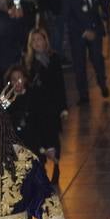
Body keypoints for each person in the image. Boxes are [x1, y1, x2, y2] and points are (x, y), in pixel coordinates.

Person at [22, 28, 67, 184]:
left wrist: (63, 108)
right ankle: (42, 168)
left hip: (52, 106)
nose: (37, 43)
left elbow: (60, 84)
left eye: (39, 39)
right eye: (33, 41)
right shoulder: (28, 63)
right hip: (36, 107)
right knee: (39, 138)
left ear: (45, 40)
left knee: (53, 138)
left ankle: (56, 165)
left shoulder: (53, 58)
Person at [61, 0, 109, 104]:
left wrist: (107, 14)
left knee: (98, 59)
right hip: (78, 34)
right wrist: (84, 31)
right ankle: (83, 95)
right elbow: (67, 16)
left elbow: (103, 4)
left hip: (95, 30)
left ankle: (102, 83)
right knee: (79, 65)